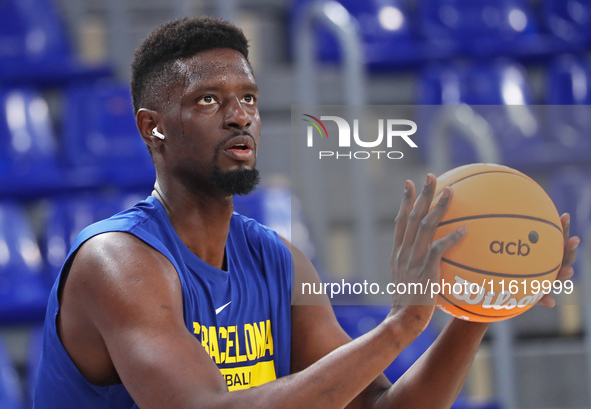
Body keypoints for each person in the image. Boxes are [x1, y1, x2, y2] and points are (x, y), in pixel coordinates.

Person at [33, 16, 579, 409]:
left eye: (247, 98)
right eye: (208, 100)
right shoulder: (116, 262)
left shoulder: (277, 260)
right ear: (152, 127)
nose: (238, 117)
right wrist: (401, 326)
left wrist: (474, 310)